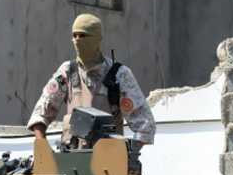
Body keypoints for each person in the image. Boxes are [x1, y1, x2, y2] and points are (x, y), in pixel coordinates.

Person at [28, 13, 155, 149]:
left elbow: (145, 125)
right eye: (74, 35)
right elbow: (42, 110)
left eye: (83, 35)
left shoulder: (119, 74)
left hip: (107, 162)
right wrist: (41, 144)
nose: (77, 40)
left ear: (96, 39)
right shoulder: (68, 71)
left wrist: (127, 155)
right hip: (72, 160)